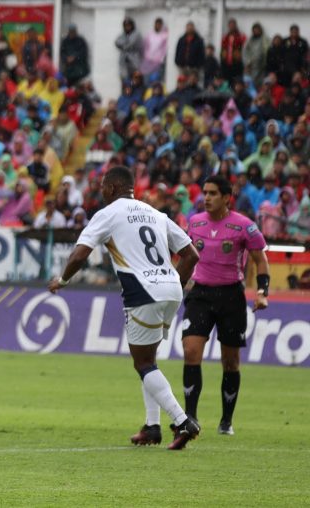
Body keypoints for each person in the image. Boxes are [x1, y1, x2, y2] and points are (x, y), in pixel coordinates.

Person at [48, 165, 201, 450]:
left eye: (103, 188)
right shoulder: (155, 213)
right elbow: (191, 254)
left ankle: (183, 421)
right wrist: (173, 283)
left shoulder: (107, 214)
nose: (101, 193)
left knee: (143, 363)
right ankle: (152, 427)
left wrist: (63, 280)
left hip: (142, 291)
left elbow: (80, 254)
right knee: (149, 360)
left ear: (112, 187)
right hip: (171, 289)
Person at [181, 175, 269, 436]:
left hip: (231, 296)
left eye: (212, 193)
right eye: (205, 192)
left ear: (227, 197)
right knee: (191, 351)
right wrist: (177, 283)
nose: (206, 197)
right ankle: (190, 417)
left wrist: (262, 292)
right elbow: (185, 257)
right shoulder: (194, 222)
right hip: (200, 294)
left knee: (230, 361)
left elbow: (260, 260)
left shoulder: (245, 226)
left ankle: (226, 420)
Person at [115, 17, 143, 88]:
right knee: (125, 83)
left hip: (134, 63)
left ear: (132, 25)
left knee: (135, 83)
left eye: (129, 25)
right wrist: (125, 44)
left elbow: (130, 44)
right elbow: (117, 42)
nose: (127, 27)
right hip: (124, 63)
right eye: (125, 26)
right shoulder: (123, 34)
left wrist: (123, 46)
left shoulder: (136, 34)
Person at [140, 18, 168, 84]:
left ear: (161, 25)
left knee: (155, 79)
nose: (157, 26)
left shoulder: (164, 36)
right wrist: (145, 57)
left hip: (157, 62)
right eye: (156, 24)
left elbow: (164, 49)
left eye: (159, 24)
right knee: (145, 78)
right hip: (148, 60)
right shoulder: (149, 34)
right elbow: (145, 46)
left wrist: (161, 59)